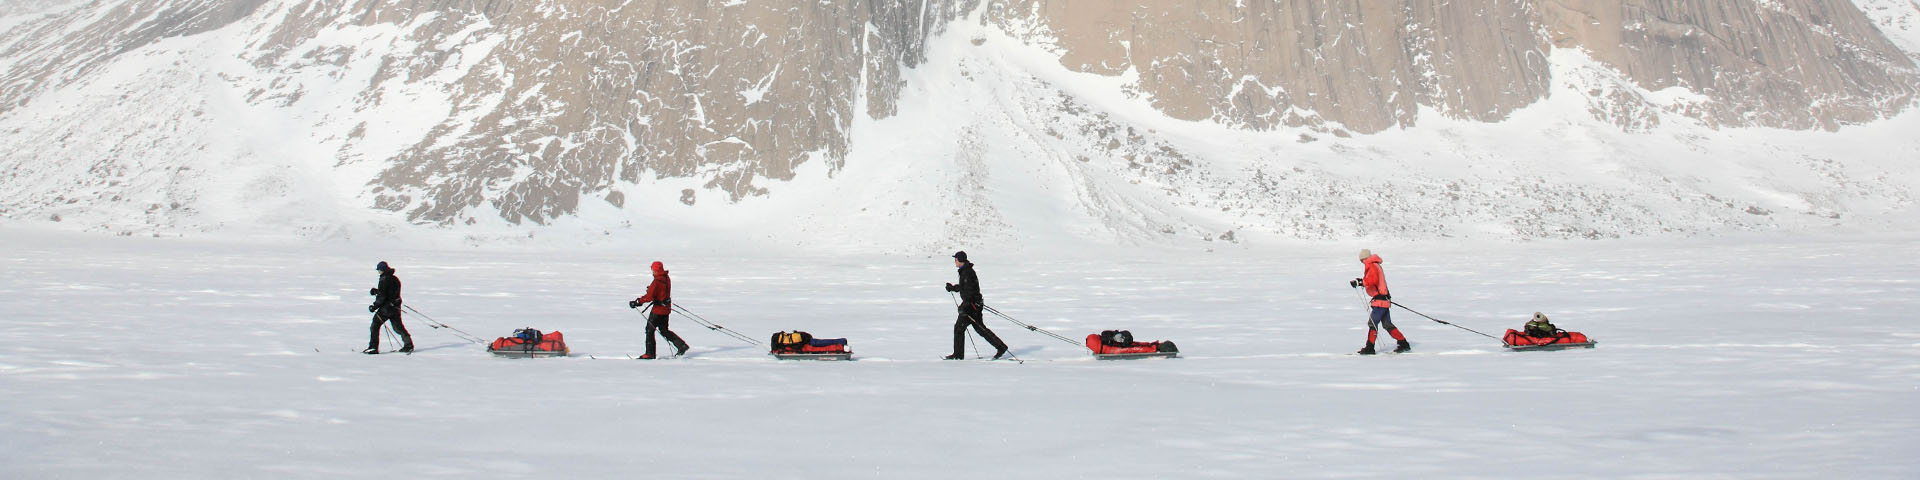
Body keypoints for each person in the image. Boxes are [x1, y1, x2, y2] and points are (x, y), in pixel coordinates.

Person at [944, 251, 1008, 360]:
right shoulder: (966, 271)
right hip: (973, 305)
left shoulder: (967, 272)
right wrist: (953, 288)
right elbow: (965, 287)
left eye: (956, 259)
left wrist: (964, 306)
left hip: (972, 307)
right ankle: (1001, 347)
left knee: (960, 328)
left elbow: (970, 292)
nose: (955, 261)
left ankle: (958, 356)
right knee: (979, 329)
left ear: (960, 260)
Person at [1349, 249, 1410, 354]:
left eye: (1362, 260)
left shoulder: (1371, 265)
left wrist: (1361, 282)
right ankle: (1403, 343)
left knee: (1372, 323)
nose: (1362, 262)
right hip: (1383, 300)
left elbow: (1373, 280)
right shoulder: (1375, 265)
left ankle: (1370, 348)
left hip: (1380, 301)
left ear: (1365, 258)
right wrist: (1362, 281)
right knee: (1387, 324)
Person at [629, 261, 688, 359]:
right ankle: (681, 345)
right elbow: (661, 291)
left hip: (657, 310)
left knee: (649, 330)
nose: (652, 271)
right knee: (664, 330)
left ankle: (650, 354)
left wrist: (637, 302)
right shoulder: (666, 278)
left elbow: (649, 297)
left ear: (655, 270)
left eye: (652, 269)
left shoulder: (656, 281)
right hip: (666, 309)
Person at [365, 261, 413, 354]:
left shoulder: (384, 279)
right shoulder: (395, 279)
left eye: (379, 270)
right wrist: (376, 291)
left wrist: (374, 307)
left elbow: (382, 297)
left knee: (375, 326)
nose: (378, 272)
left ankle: (373, 347)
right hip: (395, 307)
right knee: (398, 327)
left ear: (382, 270)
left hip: (386, 309)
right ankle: (408, 344)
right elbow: (390, 292)